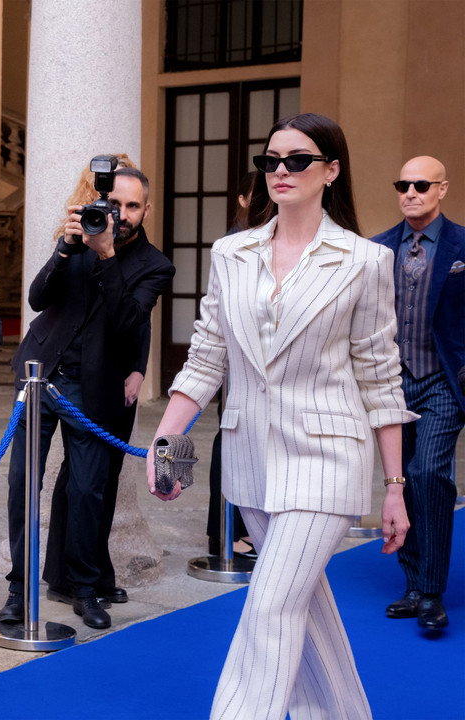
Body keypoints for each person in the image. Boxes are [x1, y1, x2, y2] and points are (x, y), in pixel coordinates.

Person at [148, 112, 414, 719]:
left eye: (298, 160)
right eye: (271, 161)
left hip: (328, 458)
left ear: (331, 171)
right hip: (251, 457)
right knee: (302, 606)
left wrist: (395, 486)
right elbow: (207, 354)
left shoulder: (364, 260)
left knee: (270, 606)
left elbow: (380, 377)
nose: (281, 171)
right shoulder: (231, 252)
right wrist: (167, 440)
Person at [0, 159, 174, 630]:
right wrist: (65, 248)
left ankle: (83, 587)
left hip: (92, 387)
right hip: (39, 375)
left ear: (146, 210)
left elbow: (129, 323)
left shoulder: (154, 266)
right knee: (22, 486)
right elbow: (37, 299)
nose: (121, 214)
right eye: (114, 203)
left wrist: (107, 256)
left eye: (132, 206)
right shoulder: (76, 239)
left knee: (87, 491)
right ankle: (19, 588)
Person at [371, 155, 463, 631]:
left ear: (442, 189)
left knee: (430, 473)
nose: (410, 192)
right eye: (402, 184)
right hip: (392, 383)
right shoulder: (377, 249)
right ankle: (412, 584)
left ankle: (431, 591)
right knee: (402, 480)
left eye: (421, 185)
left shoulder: (463, 246)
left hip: (443, 381)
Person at [206, 170, 259, 558]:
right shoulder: (231, 246)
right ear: (242, 200)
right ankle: (222, 532)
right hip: (235, 360)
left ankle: (244, 527)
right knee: (229, 441)